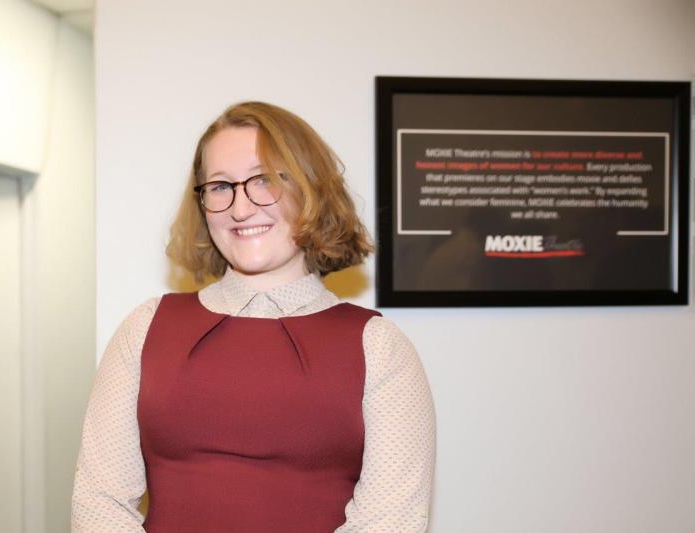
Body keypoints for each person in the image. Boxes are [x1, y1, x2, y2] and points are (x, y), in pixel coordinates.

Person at [72, 101, 436, 532]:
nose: (240, 209)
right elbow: (100, 500)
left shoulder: (378, 345)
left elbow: (389, 520)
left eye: (263, 180)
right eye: (220, 186)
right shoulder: (145, 328)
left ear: (311, 189)